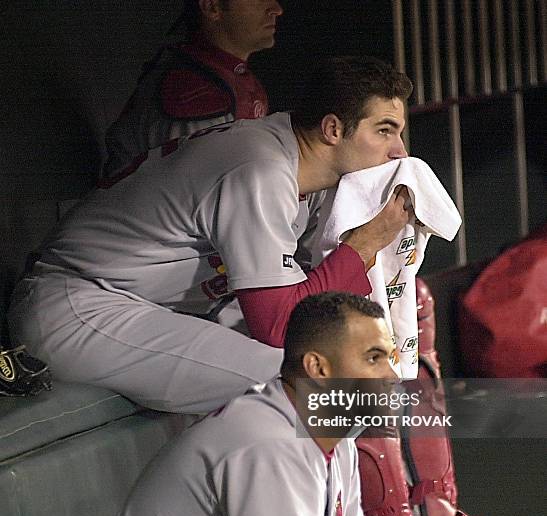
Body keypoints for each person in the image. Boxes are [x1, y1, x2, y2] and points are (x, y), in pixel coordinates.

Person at [8, 56, 413, 415]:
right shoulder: (261, 169)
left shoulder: (306, 164)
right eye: (384, 131)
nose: (399, 152)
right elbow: (278, 326)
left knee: (357, 365)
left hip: (153, 301)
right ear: (331, 129)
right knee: (311, 385)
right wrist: (364, 244)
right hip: (78, 302)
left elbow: (305, 294)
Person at [78, 292, 492, 516]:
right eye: (373, 358)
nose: (391, 375)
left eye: (391, 357)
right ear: (318, 368)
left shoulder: (337, 434)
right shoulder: (263, 440)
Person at [102, 0, 282, 179]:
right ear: (212, 7)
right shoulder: (192, 89)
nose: (277, 10)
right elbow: (193, 193)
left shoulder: (228, 76)